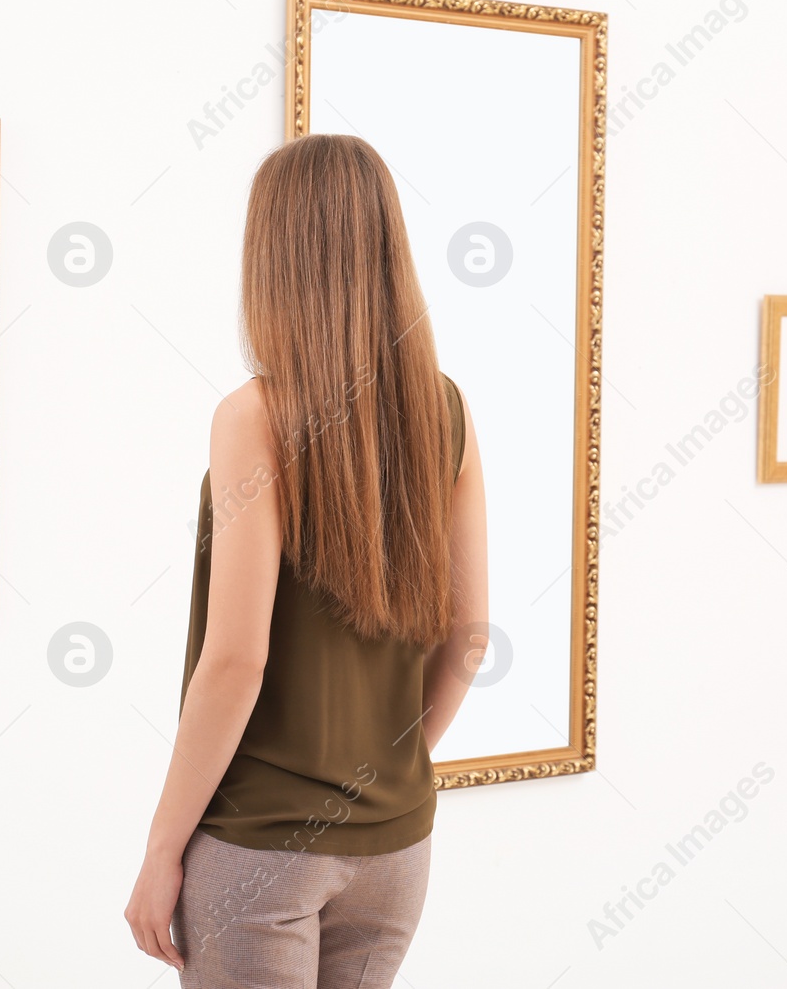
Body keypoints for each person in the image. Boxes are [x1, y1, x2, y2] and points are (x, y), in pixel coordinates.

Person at [125, 134, 488, 988]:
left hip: (263, 848)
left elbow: (236, 662)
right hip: (398, 848)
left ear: (273, 256)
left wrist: (161, 848)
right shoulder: (446, 409)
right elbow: (471, 636)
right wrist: (383, 772)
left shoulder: (252, 415)